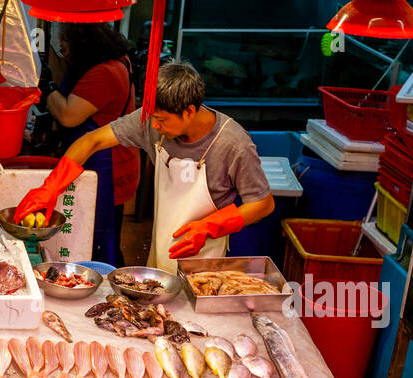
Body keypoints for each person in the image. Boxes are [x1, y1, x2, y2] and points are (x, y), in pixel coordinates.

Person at [17, 60, 274, 274]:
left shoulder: (234, 144)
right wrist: (51, 188)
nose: (153, 127)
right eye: (151, 118)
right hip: (161, 250)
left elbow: (263, 203)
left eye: (161, 120)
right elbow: (92, 141)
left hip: (205, 260)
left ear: (189, 112)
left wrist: (209, 227)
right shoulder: (152, 120)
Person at [41, 21, 138, 267]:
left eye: (66, 45)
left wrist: (48, 87)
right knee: (103, 232)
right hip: (103, 159)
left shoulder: (105, 72)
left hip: (108, 165)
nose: (63, 51)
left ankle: (104, 279)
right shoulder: (111, 61)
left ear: (84, 44)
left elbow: (68, 115)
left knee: (102, 235)